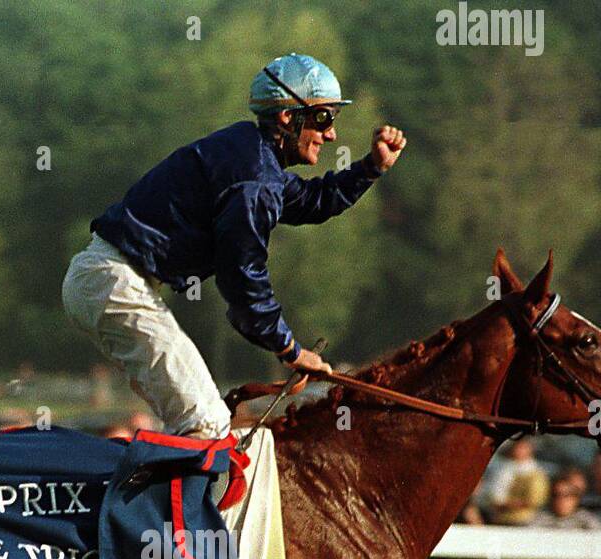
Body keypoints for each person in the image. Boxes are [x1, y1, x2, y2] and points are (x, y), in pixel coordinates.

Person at [63, 53, 405, 439]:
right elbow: (243, 276)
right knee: (207, 425)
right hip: (115, 285)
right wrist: (290, 350)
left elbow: (312, 201)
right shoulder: (254, 179)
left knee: (194, 424)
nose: (331, 135)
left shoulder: (254, 157)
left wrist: (370, 168)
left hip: (109, 281)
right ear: (287, 117)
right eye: (323, 118)